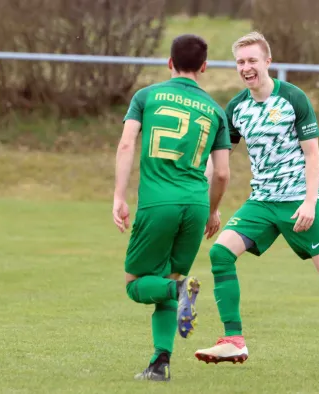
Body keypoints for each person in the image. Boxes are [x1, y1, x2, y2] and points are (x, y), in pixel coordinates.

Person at [194, 31, 319, 373]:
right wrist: (204, 203)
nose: (246, 68)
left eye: (252, 61)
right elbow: (218, 162)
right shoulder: (237, 108)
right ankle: (233, 340)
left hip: (298, 200)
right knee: (220, 252)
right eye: (240, 62)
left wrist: (309, 202)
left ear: (267, 62)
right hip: (261, 202)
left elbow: (313, 157)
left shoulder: (293, 98)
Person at [113, 34, 232, 382]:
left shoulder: (146, 96)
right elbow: (223, 173)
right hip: (195, 206)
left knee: (136, 283)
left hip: (158, 203)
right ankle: (159, 364)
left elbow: (125, 145)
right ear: (205, 67)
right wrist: (212, 211)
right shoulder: (215, 111)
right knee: (167, 277)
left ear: (169, 63)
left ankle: (180, 293)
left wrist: (119, 196)